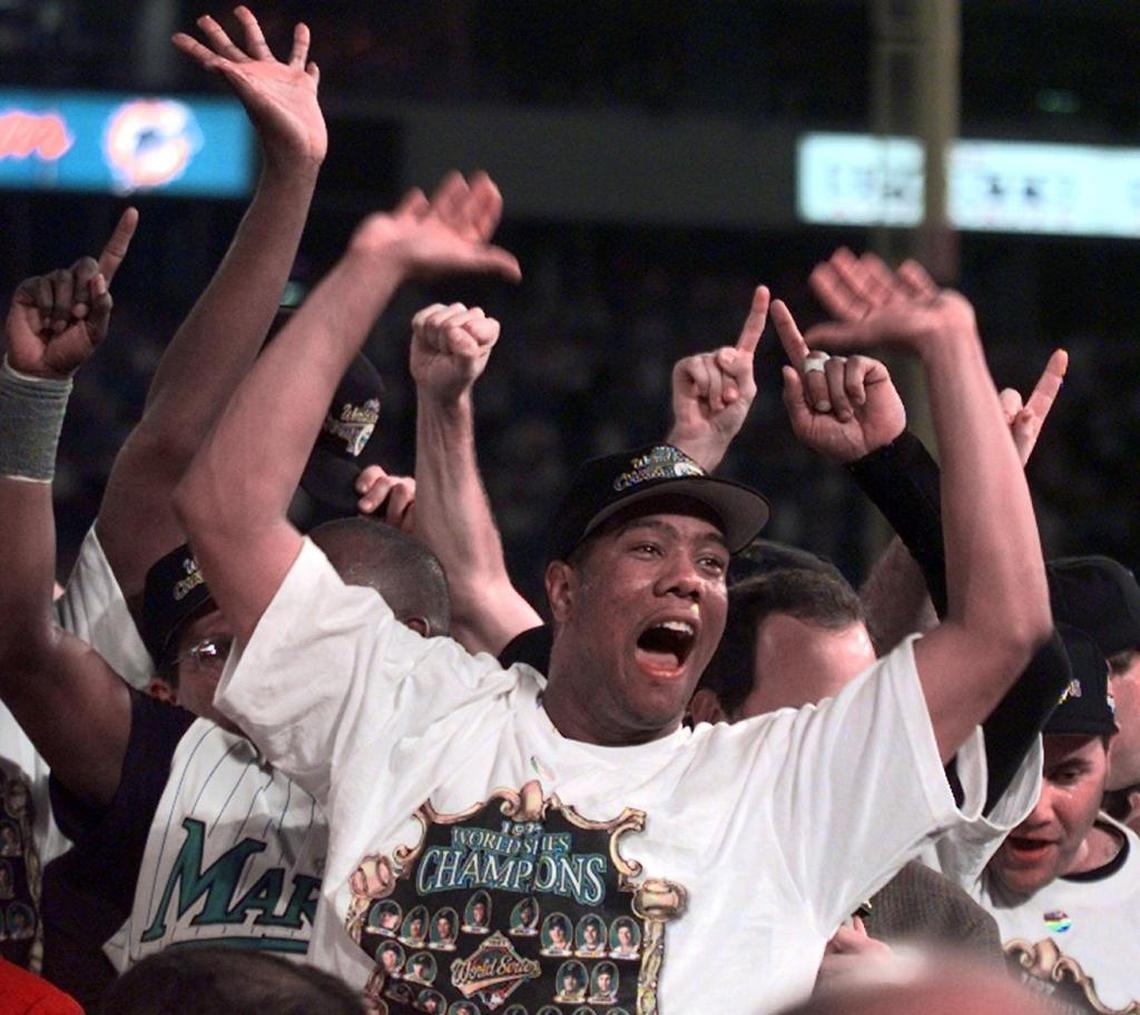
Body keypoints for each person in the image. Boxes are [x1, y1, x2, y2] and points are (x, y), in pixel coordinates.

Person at [175, 174, 1051, 1015]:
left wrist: (952, 348)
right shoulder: (414, 702)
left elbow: (1006, 630)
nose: (689, 576)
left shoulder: (780, 786)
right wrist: (368, 264)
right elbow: (225, 510)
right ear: (562, 588)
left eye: (713, 561)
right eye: (648, 546)